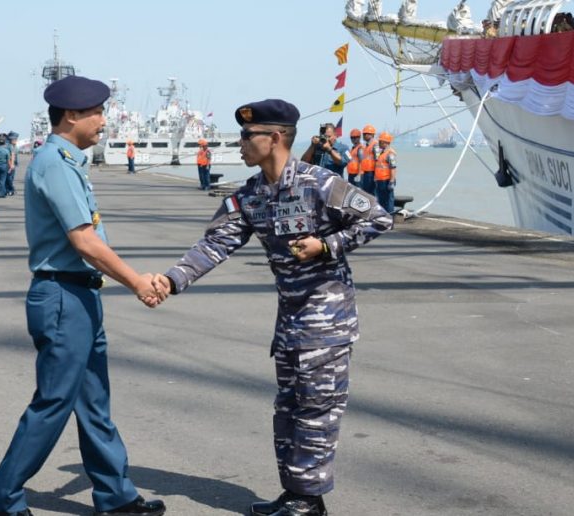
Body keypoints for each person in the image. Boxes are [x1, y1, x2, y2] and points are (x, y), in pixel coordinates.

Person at [152, 99, 392, 516]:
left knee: (317, 411)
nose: (240, 144)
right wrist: (171, 280)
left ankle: (308, 500)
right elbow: (215, 243)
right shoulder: (251, 195)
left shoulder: (321, 183)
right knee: (288, 410)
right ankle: (295, 491)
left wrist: (326, 245)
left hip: (327, 319)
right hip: (290, 322)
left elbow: (377, 217)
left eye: (247, 136)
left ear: (275, 138)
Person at [0, 75, 167, 516]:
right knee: (53, 404)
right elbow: (84, 242)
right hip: (63, 295)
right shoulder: (57, 162)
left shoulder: (68, 159)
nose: (104, 121)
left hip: (78, 295)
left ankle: (115, 496)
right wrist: (138, 281)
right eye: (97, 112)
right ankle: (0, 499)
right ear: (72, 115)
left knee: (94, 402)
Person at [374, 132, 397, 214]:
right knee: (382, 201)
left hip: (386, 181)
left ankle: (390, 217)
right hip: (380, 181)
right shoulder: (382, 153)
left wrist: (391, 181)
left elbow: (393, 168)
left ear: (386, 143)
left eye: (380, 141)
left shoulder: (390, 154)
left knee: (388, 201)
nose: (379, 143)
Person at [358, 125, 378, 196]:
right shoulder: (366, 146)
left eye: (366, 134)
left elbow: (377, 159)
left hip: (372, 173)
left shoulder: (375, 145)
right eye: (363, 134)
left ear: (372, 134)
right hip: (366, 172)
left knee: (371, 192)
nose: (364, 135)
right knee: (366, 192)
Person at [5, 131, 20, 196]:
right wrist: (12, 165)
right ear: (11, 139)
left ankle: (9, 189)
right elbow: (12, 155)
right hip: (10, 164)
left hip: (11, 164)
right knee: (9, 178)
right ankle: (10, 189)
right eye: (15, 139)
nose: (16, 140)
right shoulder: (10, 146)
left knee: (10, 177)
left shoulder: (13, 145)